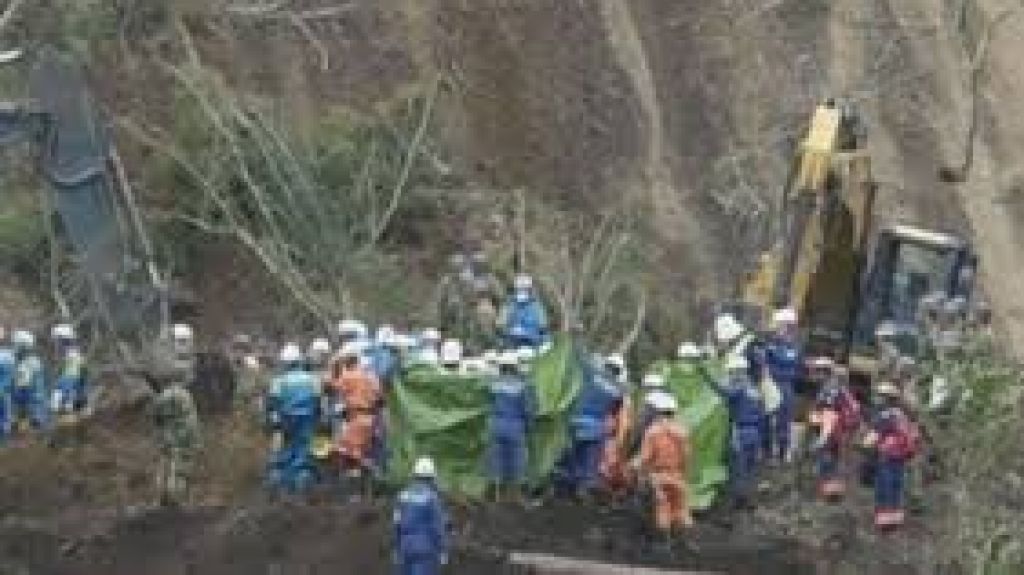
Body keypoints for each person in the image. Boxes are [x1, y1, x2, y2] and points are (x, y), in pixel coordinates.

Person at [701, 355, 764, 509]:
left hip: (741, 432)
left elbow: (725, 392)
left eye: (731, 373)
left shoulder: (740, 387)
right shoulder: (754, 389)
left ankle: (739, 501)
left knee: (738, 468)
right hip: (755, 432)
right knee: (750, 467)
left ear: (737, 371)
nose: (730, 376)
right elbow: (762, 413)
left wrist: (706, 375)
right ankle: (749, 497)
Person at [151, 326, 201, 507]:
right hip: (178, 399)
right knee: (181, 459)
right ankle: (175, 497)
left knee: (166, 457)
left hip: (165, 401)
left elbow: (157, 419)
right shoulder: (181, 360)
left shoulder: (164, 352)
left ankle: (162, 496)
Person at [635, 393, 693, 544]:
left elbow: (646, 457)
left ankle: (664, 542)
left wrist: (639, 471)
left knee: (662, 507)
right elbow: (687, 456)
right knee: (680, 508)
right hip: (677, 475)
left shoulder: (653, 431)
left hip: (658, 475)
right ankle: (683, 541)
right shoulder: (682, 431)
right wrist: (684, 473)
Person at [863, 382, 919, 530]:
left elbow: (871, 440)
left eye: (879, 396)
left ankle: (884, 521)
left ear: (886, 398)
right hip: (900, 457)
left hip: (886, 456)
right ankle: (895, 519)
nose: (876, 399)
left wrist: (864, 446)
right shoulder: (902, 415)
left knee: (884, 488)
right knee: (896, 487)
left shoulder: (885, 415)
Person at [266, 343, 321, 493]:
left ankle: (280, 485)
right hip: (307, 420)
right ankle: (302, 483)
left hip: (286, 420)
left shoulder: (278, 381)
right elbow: (318, 402)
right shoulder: (312, 379)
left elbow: (272, 405)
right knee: (304, 452)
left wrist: (274, 424)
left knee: (284, 453)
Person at [566, 355, 622, 496]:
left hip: (577, 421)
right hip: (597, 427)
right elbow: (614, 411)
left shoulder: (592, 373)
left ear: (606, 365)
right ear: (619, 371)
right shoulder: (619, 389)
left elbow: (578, 359)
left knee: (571, 456)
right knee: (589, 461)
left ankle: (566, 486)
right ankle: (582, 490)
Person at [486, 350, 536, 501]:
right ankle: (515, 497)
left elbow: (486, 404)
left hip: (495, 424)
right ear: (515, 367)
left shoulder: (492, 384)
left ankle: (496, 495)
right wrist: (529, 426)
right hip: (515, 426)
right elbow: (527, 409)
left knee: (496, 459)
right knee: (517, 461)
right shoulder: (522, 386)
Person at [329, 345, 382, 484]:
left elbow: (331, 386)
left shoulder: (348, 376)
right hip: (370, 418)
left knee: (349, 452)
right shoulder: (371, 376)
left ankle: (370, 476)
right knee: (359, 451)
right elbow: (379, 397)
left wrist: (334, 366)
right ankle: (366, 481)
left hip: (356, 417)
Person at [394, 457, 450, 575]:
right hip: (425, 548)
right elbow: (438, 527)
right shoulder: (432, 498)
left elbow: (397, 524)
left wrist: (397, 548)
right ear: (431, 478)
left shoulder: (402, 496)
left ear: (415, 475)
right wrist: (443, 549)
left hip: (405, 546)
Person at [764, 308, 803, 464]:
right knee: (766, 419)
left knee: (783, 421)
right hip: (770, 385)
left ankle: (781, 454)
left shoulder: (792, 346)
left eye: (781, 325)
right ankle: (766, 453)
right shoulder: (770, 344)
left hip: (785, 386)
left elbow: (790, 360)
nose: (778, 328)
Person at [600, 355, 632, 496]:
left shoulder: (621, 390)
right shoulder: (618, 389)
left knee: (610, 461)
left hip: (610, 429)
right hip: (605, 428)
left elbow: (624, 417)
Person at [810, 386, 846, 500]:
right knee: (834, 466)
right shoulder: (836, 413)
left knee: (826, 466)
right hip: (836, 442)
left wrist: (816, 446)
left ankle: (828, 493)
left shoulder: (828, 413)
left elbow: (825, 433)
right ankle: (834, 491)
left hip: (829, 444)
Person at [499, 274, 549, 349]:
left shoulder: (536, 305)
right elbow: (501, 323)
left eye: (524, 289)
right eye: (520, 289)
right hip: (513, 339)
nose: (522, 291)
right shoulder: (509, 304)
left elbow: (543, 325)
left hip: (532, 340)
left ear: (529, 289)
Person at [11, 330, 47, 432]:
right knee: (18, 410)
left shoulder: (34, 362)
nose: (15, 347)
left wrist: (36, 416)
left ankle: (34, 422)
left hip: (29, 392)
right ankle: (19, 423)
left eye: (17, 345)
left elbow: (38, 387)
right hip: (20, 392)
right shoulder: (16, 360)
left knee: (33, 411)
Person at [50, 323, 87, 419]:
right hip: (73, 395)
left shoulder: (72, 355)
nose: (56, 345)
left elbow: (70, 381)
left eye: (57, 341)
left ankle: (70, 411)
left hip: (72, 401)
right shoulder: (71, 355)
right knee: (58, 393)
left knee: (60, 393)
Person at [0, 327, 15, 441]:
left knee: (4, 419)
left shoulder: (6, 355)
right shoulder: (7, 355)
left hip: (3, 393)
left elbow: (9, 376)